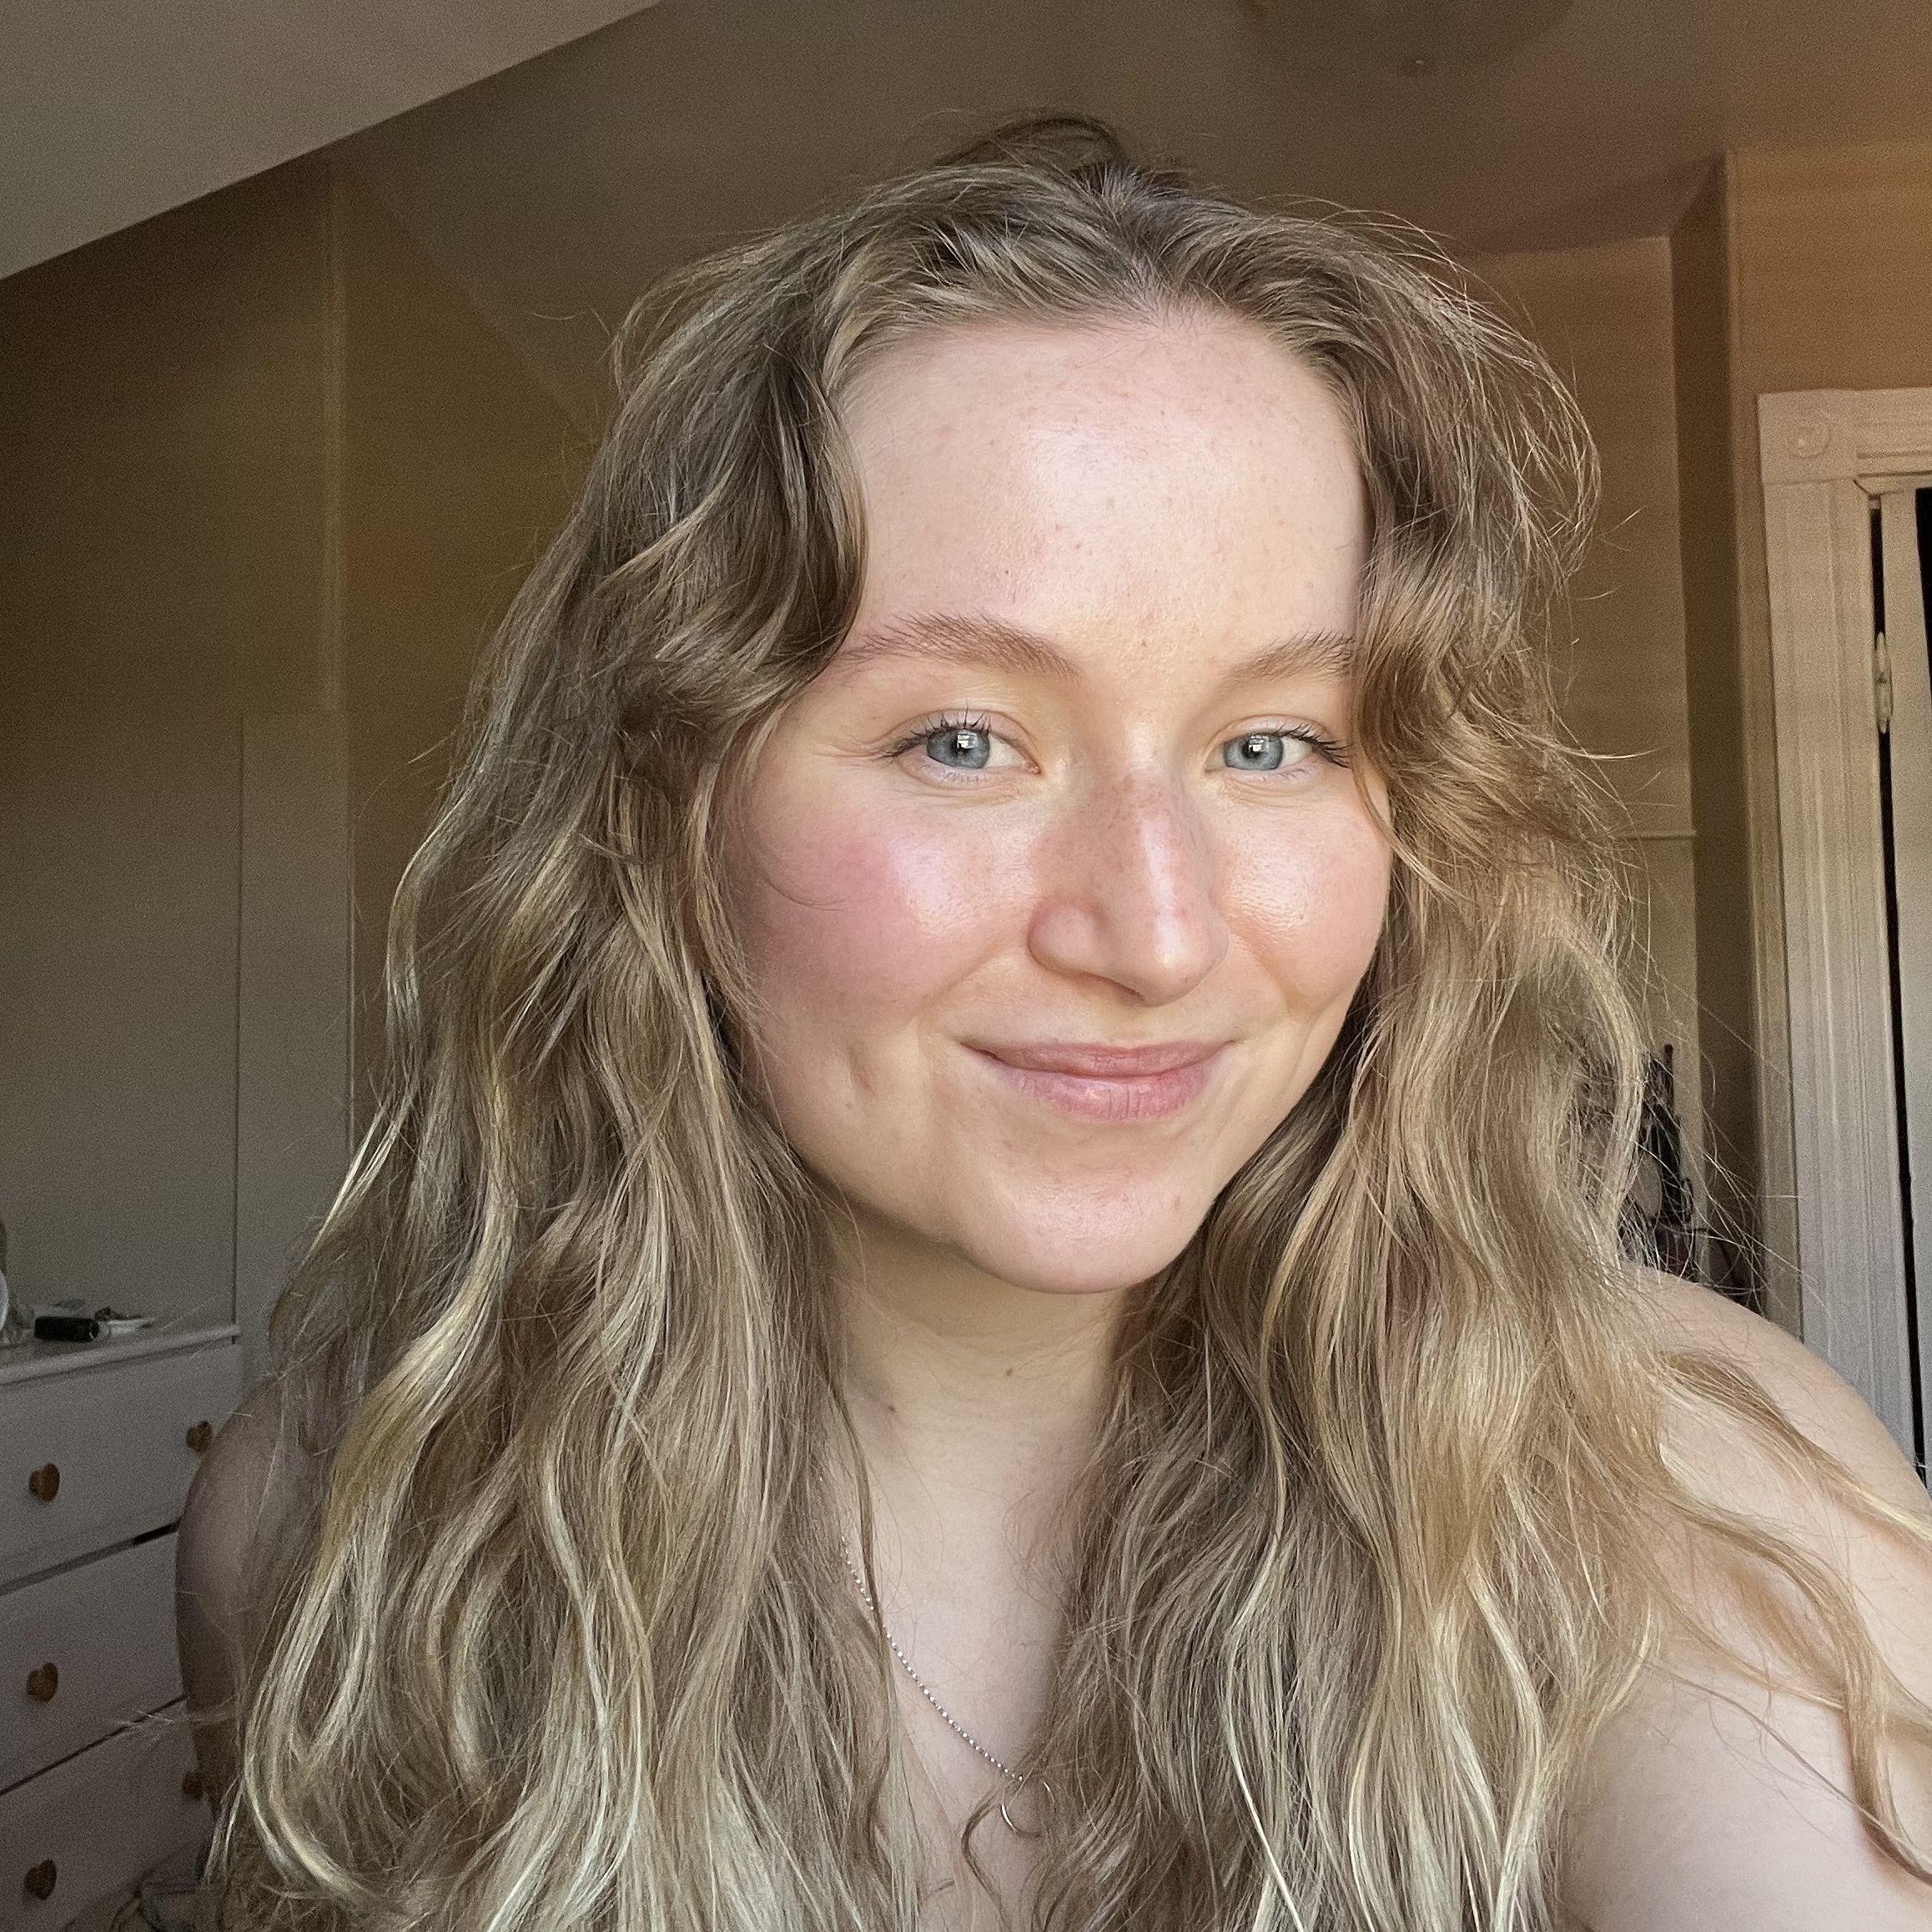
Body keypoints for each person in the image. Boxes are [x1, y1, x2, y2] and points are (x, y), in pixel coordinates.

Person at [176, 118, 1932, 1931]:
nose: (1157, 934)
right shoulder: (344, 1525)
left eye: (1276, 743)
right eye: (964, 739)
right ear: (664, 811)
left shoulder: (1688, 1480)